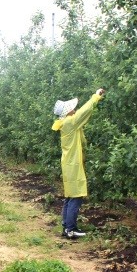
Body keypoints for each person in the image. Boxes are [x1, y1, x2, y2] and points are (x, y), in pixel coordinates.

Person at [52, 88, 105, 239]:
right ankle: (71, 229)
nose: (74, 110)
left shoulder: (66, 123)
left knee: (70, 196)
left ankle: (66, 227)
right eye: (72, 108)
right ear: (68, 112)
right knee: (76, 196)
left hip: (70, 163)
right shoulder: (70, 122)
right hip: (72, 164)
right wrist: (96, 97)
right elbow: (84, 111)